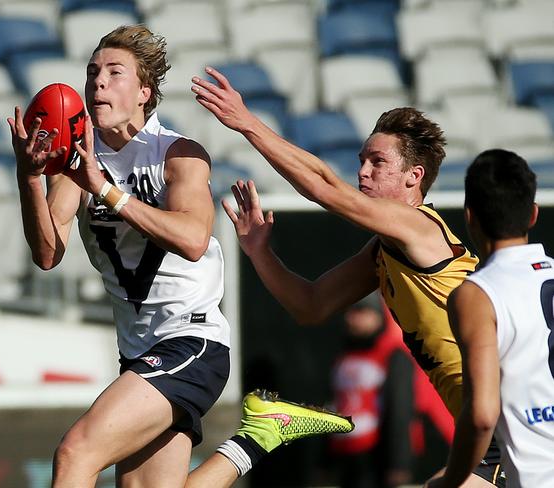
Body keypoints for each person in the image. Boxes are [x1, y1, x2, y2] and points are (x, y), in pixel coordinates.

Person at [9, 25, 353, 488]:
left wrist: (106, 192)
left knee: (76, 453)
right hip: (137, 354)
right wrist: (30, 176)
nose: (97, 83)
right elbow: (48, 254)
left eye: (114, 72)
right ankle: (256, 438)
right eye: (92, 73)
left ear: (145, 92)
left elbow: (192, 239)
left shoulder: (179, 155)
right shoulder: (75, 163)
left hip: (192, 343)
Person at [190, 66, 505, 487]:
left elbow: (326, 188)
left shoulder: (418, 226)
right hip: (490, 425)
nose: (363, 172)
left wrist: (247, 124)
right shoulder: (384, 250)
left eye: (378, 162)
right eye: (361, 161)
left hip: (508, 414)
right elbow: (311, 306)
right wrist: (260, 252)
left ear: (415, 177)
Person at [425, 149, 554, 488]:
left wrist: (451, 480)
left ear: (470, 217)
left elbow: (482, 415)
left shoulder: (476, 294)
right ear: (533, 215)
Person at [326, 293, 414, 488]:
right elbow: (330, 407)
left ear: (377, 316)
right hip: (345, 457)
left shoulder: (393, 355)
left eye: (360, 312)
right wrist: (324, 461)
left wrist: (398, 463)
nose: (351, 318)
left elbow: (400, 410)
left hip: (376, 459)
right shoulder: (343, 356)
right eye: (349, 312)